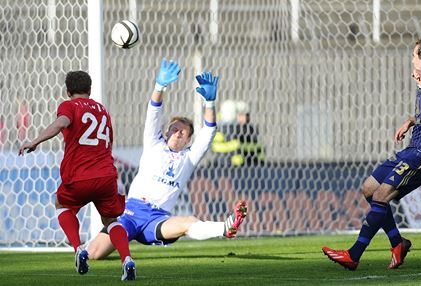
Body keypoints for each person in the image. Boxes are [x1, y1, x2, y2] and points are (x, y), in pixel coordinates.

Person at [86, 59, 247, 260]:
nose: (178, 133)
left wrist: (210, 103)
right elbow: (153, 111)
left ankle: (226, 227)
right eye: (174, 128)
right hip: (131, 212)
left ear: (188, 140)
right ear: (166, 131)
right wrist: (159, 86)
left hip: (158, 218)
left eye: (183, 132)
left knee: (187, 222)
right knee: (94, 254)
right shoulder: (154, 143)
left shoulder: (189, 158)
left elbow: (209, 132)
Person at [322, 38, 421, 270]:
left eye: (414, 55)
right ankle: (398, 242)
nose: (412, 59)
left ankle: (353, 255)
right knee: (369, 189)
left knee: (381, 197)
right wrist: (410, 121)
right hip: (411, 149)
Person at [18, 71, 136, 280]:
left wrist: (35, 141)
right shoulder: (102, 110)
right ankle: (127, 259)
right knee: (111, 220)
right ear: (89, 90)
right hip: (107, 175)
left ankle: (78, 248)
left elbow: (61, 123)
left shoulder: (69, 106)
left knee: (61, 204)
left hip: (80, 175)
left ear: (67, 90)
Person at [212, 100, 265, 167]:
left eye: (246, 115)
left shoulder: (247, 129)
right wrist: (235, 145)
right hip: (226, 163)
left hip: (249, 163)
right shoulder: (224, 128)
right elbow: (215, 147)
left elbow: (256, 147)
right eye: (240, 115)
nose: (244, 118)